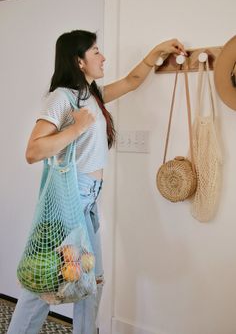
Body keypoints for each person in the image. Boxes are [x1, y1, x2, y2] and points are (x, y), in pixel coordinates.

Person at [7, 30, 186, 334]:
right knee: (46, 283)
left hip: (88, 199)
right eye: (96, 52)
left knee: (91, 281)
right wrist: (76, 129)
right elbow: (33, 151)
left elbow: (131, 82)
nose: (103, 57)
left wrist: (157, 51)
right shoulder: (61, 97)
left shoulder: (92, 94)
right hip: (68, 199)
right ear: (79, 61)